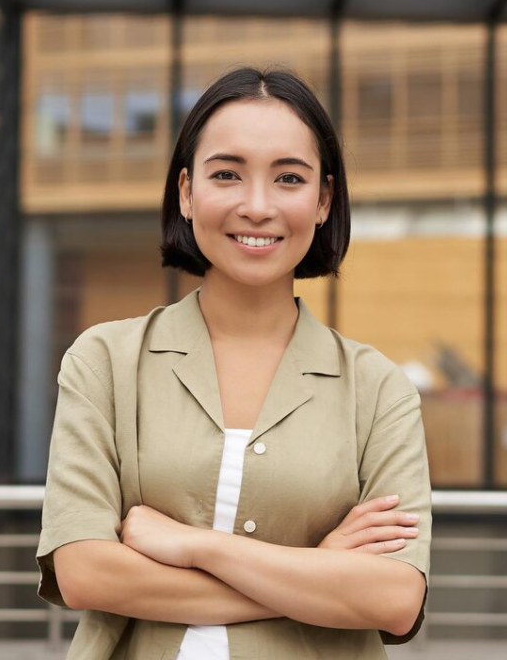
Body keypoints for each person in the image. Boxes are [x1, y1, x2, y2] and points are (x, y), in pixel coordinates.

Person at [35, 66, 432, 660]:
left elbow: (394, 597)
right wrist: (316, 571)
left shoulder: (377, 390)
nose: (257, 205)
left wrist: (194, 547)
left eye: (289, 179)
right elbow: (86, 573)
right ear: (187, 192)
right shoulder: (105, 362)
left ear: (323, 200)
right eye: (227, 174)